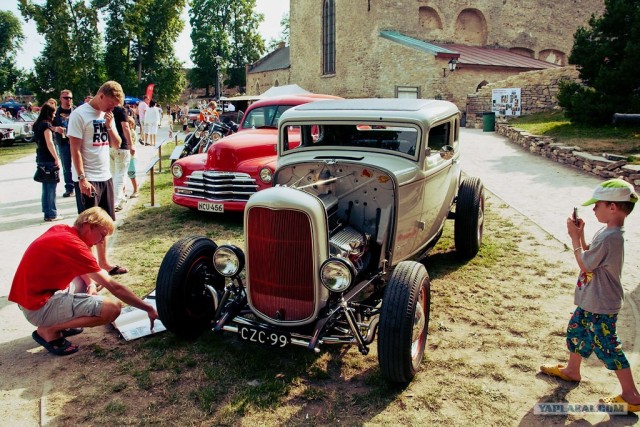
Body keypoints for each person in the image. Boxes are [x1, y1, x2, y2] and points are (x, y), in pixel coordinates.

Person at [540, 178, 640, 411]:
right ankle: (572, 370)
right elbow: (591, 253)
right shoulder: (607, 233)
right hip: (592, 300)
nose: (593, 208)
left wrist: (574, 239)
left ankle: (632, 396)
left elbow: (586, 264)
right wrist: (582, 236)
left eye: (597, 204)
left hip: (601, 305)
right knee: (577, 331)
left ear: (613, 207)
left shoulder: (611, 237)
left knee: (608, 346)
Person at [8, 207, 159, 356]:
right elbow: (115, 287)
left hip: (31, 300)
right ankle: (49, 330)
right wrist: (148, 308)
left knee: (97, 278)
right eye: (102, 235)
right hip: (38, 308)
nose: (101, 241)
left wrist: (91, 284)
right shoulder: (73, 245)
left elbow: (85, 269)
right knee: (112, 308)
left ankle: (59, 323)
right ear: (89, 226)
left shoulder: (63, 230)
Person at [67, 80, 128, 276]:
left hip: (105, 176)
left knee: (105, 223)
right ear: (101, 95)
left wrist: (110, 126)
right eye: (111, 103)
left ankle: (104, 263)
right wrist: (82, 179)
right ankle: (90, 270)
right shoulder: (79, 115)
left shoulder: (106, 115)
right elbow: (74, 150)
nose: (112, 108)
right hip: (88, 179)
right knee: (89, 227)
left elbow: (118, 145)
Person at [33, 102, 62, 222]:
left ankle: (46, 211)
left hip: (40, 157)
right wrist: (56, 158)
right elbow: (49, 142)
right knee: (51, 188)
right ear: (49, 113)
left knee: (45, 187)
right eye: (54, 113)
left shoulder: (38, 124)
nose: (54, 116)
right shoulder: (46, 125)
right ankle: (51, 213)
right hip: (48, 159)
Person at [110, 105, 133, 211]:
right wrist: (130, 144)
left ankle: (121, 198)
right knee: (120, 175)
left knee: (114, 174)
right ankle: (115, 201)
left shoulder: (106, 109)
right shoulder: (120, 110)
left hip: (110, 145)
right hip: (122, 145)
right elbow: (125, 127)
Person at [53, 89, 75, 197]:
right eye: (66, 98)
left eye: (70, 98)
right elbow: (47, 125)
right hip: (63, 142)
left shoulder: (75, 111)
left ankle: (80, 185)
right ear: (60, 99)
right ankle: (69, 188)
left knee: (79, 164)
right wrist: (56, 128)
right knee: (66, 166)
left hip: (76, 142)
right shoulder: (55, 113)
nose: (68, 100)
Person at [126, 116, 139, 198]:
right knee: (123, 175)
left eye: (130, 124)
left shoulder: (132, 133)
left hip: (131, 157)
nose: (128, 125)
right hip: (125, 156)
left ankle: (136, 190)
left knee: (132, 174)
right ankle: (123, 191)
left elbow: (131, 144)